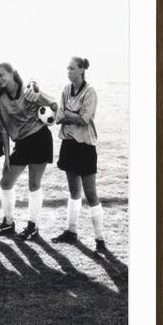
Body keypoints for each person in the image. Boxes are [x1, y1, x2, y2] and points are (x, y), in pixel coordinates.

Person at [0, 62, 57, 239]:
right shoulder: (0, 98)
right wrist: (6, 156)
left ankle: (33, 227)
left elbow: (54, 104)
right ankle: (8, 223)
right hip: (21, 143)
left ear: (12, 74)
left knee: (34, 184)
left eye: (2, 74)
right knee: (5, 183)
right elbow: (3, 129)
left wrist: (38, 91)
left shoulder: (28, 90)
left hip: (39, 138)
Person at [51, 57, 106, 255]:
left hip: (85, 147)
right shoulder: (66, 89)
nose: (68, 71)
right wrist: (68, 115)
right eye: (67, 68)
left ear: (82, 70)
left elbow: (84, 119)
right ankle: (71, 231)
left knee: (90, 193)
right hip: (68, 145)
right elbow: (58, 118)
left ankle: (99, 239)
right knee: (74, 191)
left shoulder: (90, 92)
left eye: (72, 68)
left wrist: (68, 114)